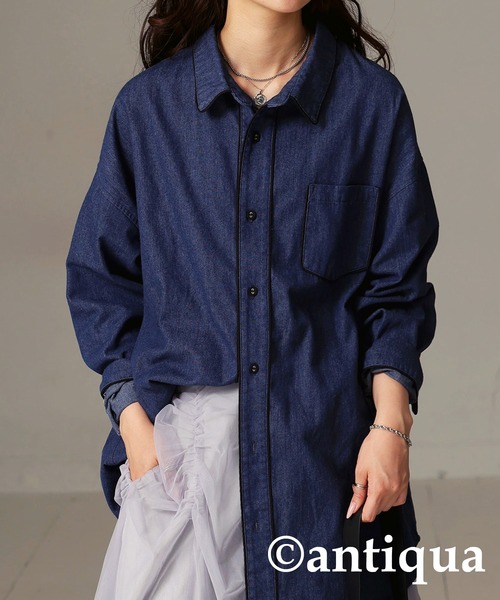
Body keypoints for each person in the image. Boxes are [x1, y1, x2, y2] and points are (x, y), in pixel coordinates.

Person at [65, 0, 439, 598]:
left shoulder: (371, 105)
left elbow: (396, 289)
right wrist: (135, 428)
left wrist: (391, 426)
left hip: (326, 473)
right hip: (183, 474)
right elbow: (101, 281)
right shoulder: (148, 110)